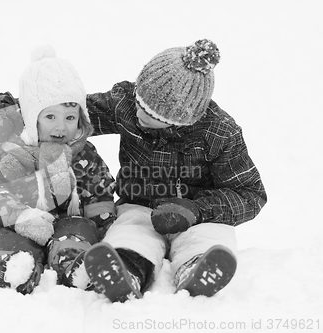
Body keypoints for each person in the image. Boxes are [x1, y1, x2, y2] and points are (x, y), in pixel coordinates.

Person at [82, 39, 267, 302]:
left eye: (153, 113)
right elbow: (75, 114)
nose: (140, 112)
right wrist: (22, 109)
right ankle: (125, 268)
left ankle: (197, 267)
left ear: (182, 118)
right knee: (129, 229)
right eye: (139, 101)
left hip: (196, 214)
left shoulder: (219, 132)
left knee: (211, 235)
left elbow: (250, 194)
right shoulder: (126, 104)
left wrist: (197, 210)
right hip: (139, 204)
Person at [0, 46, 116, 295]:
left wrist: (104, 225)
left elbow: (99, 192)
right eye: (50, 116)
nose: (61, 126)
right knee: (3, 238)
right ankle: (9, 266)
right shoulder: (8, 152)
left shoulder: (83, 153)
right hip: (13, 222)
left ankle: (75, 264)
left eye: (70, 117)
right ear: (31, 117)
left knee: (78, 231)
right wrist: (19, 216)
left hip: (68, 221)